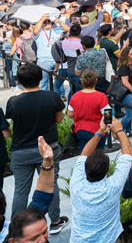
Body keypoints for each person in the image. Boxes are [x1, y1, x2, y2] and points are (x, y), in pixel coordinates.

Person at [6, 63, 68, 234]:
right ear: (42, 78)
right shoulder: (52, 97)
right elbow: (58, 120)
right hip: (47, 148)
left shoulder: (13, 101)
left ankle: (17, 230)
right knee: (51, 184)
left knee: (20, 191)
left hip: (21, 151)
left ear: (18, 81)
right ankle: (55, 221)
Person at [69, 116, 132, 243]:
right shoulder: (113, 186)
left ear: (85, 168)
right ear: (108, 170)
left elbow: (83, 155)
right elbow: (128, 155)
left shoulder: (76, 183)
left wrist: (100, 131)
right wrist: (119, 130)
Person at [7, 137, 57, 243]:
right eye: (34, 238)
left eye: (44, 232)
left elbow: (43, 194)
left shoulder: (33, 222)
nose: (42, 240)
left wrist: (48, 161)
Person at [66, 69, 110, 151]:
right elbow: (108, 115)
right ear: (96, 81)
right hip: (96, 130)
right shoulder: (101, 96)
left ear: (82, 82)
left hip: (80, 129)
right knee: (97, 157)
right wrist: (109, 128)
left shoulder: (74, 96)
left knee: (84, 155)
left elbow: (70, 114)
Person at [115, 46, 132, 136]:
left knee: (130, 113)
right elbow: (125, 82)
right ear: (126, 56)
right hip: (127, 93)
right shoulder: (124, 67)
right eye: (131, 53)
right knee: (131, 113)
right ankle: (120, 132)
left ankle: (128, 130)